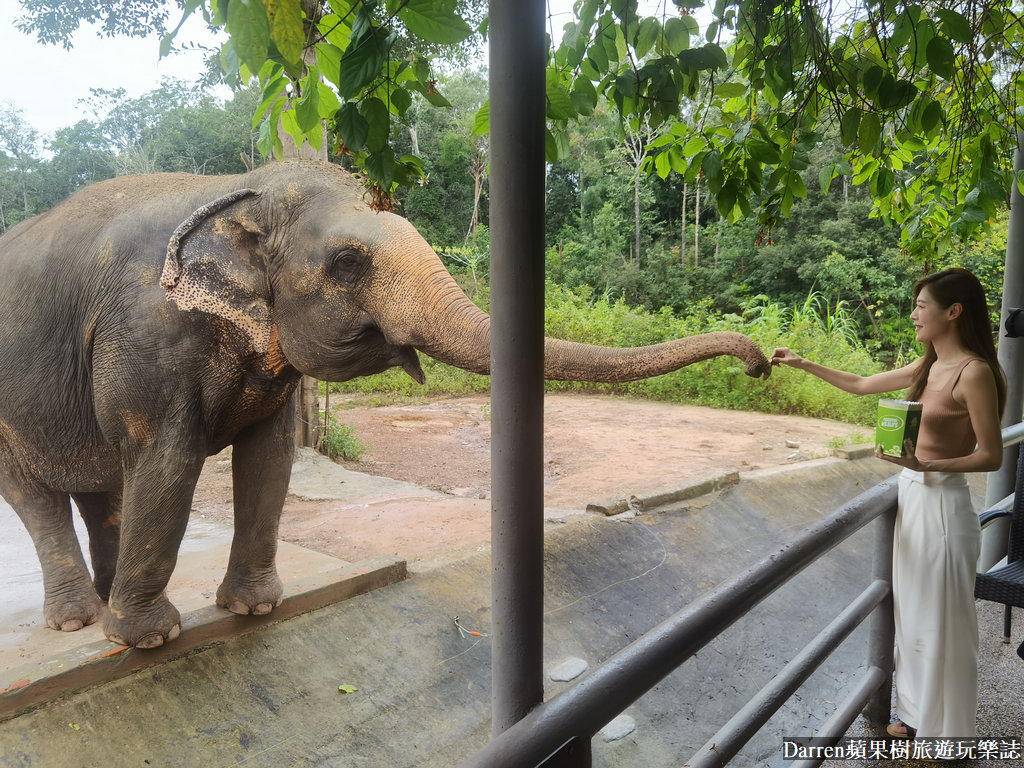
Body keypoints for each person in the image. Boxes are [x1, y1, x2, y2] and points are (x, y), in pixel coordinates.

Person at [771, 268, 1006, 743]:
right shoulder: (927, 366)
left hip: (943, 509)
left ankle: (951, 737)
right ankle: (917, 715)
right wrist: (803, 363)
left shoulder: (974, 371)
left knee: (945, 623)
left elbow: (992, 454)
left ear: (953, 311)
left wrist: (925, 466)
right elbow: (861, 383)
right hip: (912, 498)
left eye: (922, 306)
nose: (915, 314)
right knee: (914, 616)